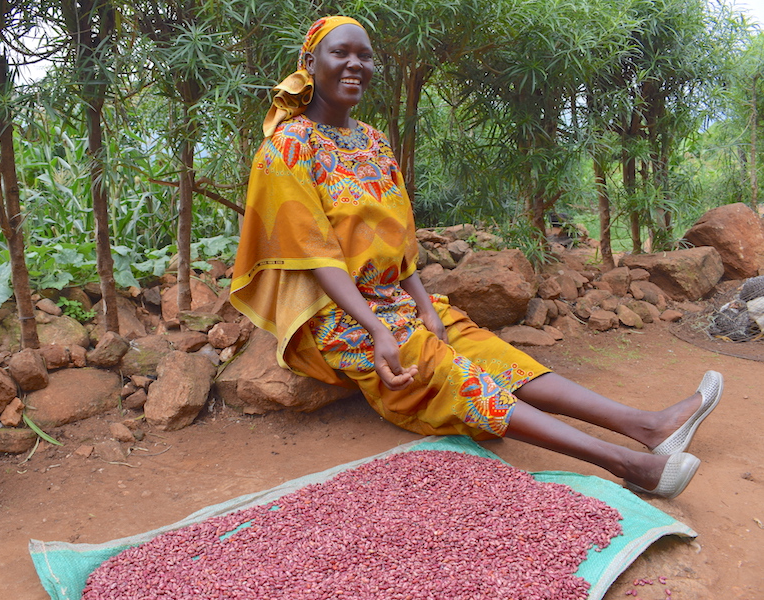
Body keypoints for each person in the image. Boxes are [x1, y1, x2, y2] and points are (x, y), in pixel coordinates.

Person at [229, 16, 723, 499]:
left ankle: (646, 425)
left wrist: (423, 305)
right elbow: (316, 257)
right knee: (446, 371)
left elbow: (400, 243)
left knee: (489, 352)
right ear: (311, 62)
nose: (355, 64)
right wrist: (379, 329)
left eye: (365, 55)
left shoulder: (375, 142)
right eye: (342, 53)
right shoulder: (286, 149)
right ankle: (626, 462)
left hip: (392, 300)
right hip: (336, 314)